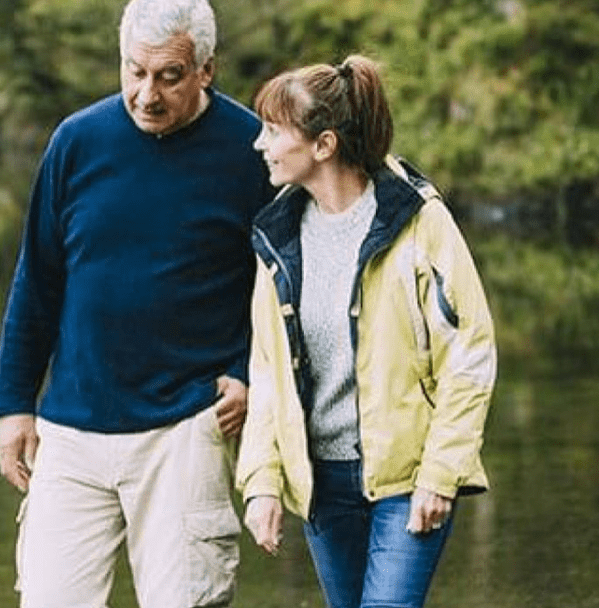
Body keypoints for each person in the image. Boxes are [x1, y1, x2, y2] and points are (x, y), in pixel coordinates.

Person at [0, 0, 275, 606]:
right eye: (134, 71)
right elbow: (37, 279)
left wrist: (251, 373)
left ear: (206, 70)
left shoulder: (252, 151)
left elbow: (284, 287)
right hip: (71, 428)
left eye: (168, 76)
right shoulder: (77, 141)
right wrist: (15, 403)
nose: (146, 94)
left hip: (186, 425)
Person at [237, 55, 497, 608]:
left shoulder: (417, 220)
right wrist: (262, 481)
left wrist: (441, 472)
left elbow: (469, 352)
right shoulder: (279, 239)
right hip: (323, 485)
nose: (260, 144)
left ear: (323, 146)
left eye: (274, 131)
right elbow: (267, 372)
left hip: (407, 478)